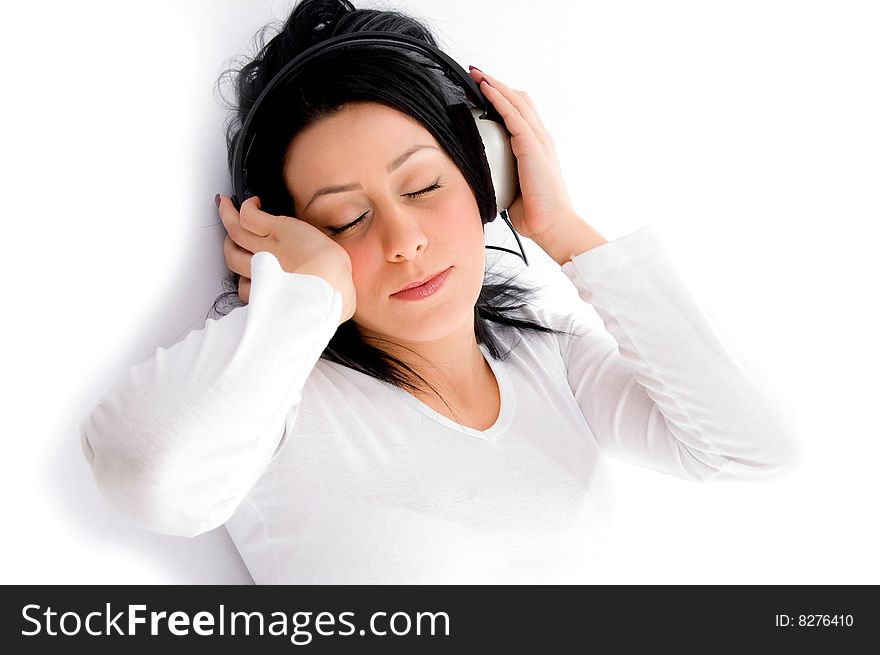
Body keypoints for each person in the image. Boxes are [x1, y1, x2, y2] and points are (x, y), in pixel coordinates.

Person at [79, 0, 799, 584]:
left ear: (487, 175)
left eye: (423, 186)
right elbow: (147, 475)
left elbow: (756, 447)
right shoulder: (281, 405)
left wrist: (566, 232)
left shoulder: (547, 359)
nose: (403, 239)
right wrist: (307, 292)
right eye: (345, 218)